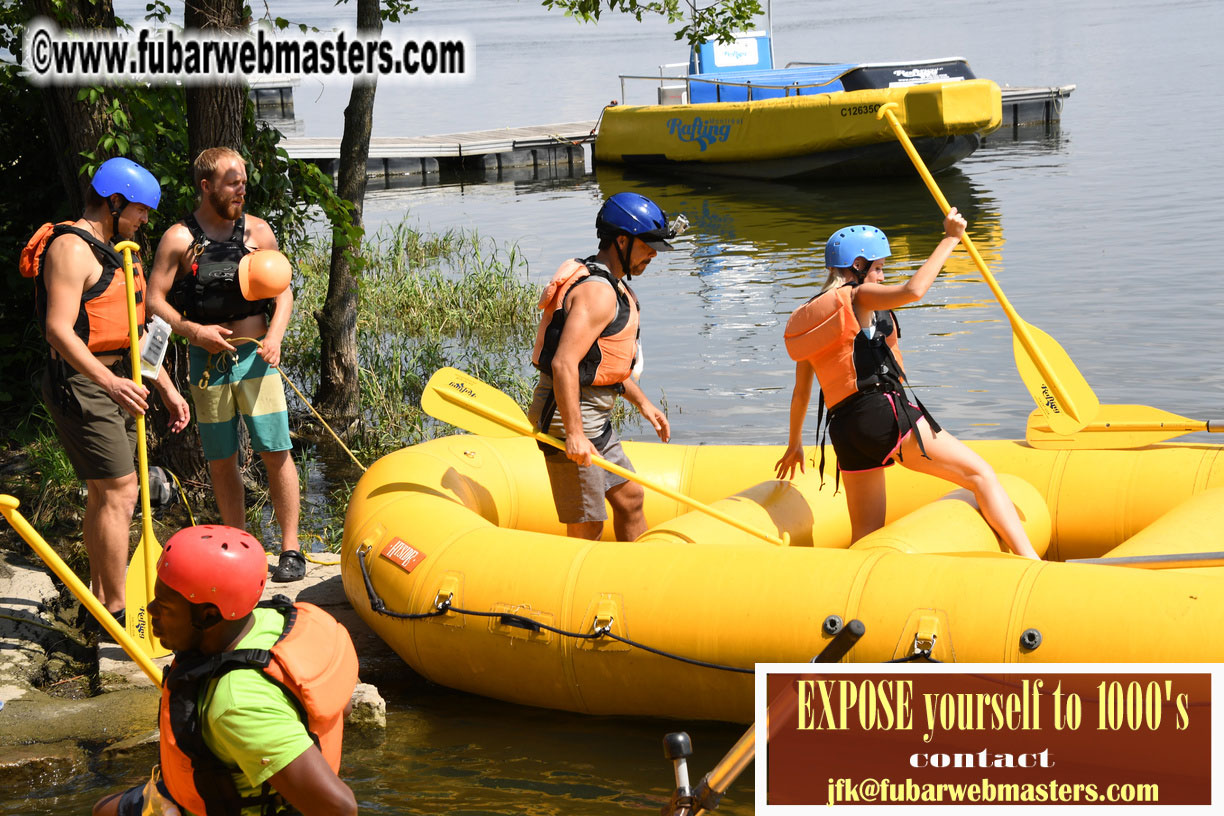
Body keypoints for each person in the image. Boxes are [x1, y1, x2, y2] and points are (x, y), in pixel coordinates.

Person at [774, 211, 1040, 559]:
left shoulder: (810, 317)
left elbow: (802, 392)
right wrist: (951, 238)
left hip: (846, 431)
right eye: (880, 267)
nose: (883, 276)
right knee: (981, 476)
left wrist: (795, 444)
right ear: (857, 266)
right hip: (881, 414)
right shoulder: (859, 297)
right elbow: (914, 290)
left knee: (867, 533)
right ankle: (1030, 561)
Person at [92, 524, 359, 816]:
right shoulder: (273, 618)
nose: (150, 610)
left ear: (208, 615)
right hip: (238, 783)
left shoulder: (237, 706)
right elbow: (337, 705)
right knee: (103, 810)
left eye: (165, 607)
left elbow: (341, 809)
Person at [31, 157, 191, 629]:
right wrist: (112, 384)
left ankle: (100, 599)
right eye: (141, 210)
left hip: (117, 381)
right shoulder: (71, 249)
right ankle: (116, 612)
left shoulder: (120, 252)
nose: (145, 221)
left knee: (104, 494)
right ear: (115, 200)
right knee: (122, 491)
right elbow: (58, 331)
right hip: (81, 384)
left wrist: (165, 387)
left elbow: (132, 332)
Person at [148, 147, 305, 582]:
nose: (242, 188)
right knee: (222, 458)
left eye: (243, 180)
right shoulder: (179, 238)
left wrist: (274, 337)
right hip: (207, 361)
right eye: (232, 181)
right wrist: (193, 331)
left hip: (257, 355)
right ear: (206, 186)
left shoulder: (258, 231)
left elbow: (283, 290)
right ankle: (240, 545)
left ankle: (291, 548)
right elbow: (154, 300)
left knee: (276, 449)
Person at [527, 192, 681, 541]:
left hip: (594, 421)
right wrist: (575, 435)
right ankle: (581, 592)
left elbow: (598, 365)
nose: (654, 253)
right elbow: (564, 363)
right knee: (588, 523)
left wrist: (644, 404)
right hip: (567, 423)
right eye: (649, 244)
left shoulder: (613, 286)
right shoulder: (598, 293)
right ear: (622, 241)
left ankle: (636, 575)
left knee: (630, 498)